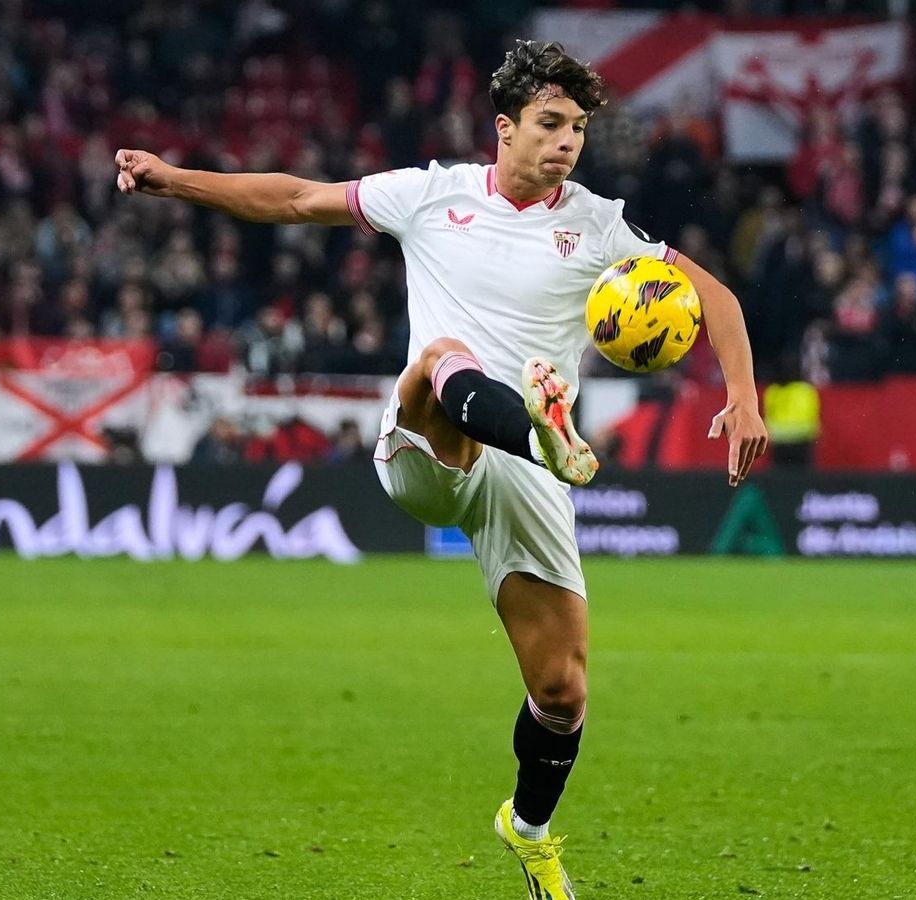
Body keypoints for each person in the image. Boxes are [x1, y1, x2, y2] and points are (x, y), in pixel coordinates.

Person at [114, 40, 768, 899]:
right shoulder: (432, 195)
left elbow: (714, 296)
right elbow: (297, 198)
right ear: (505, 128)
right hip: (429, 442)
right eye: (550, 123)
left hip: (528, 479)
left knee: (563, 691)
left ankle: (528, 830)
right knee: (442, 356)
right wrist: (176, 178)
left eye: (577, 128)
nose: (568, 142)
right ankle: (532, 423)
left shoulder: (600, 226)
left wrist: (745, 398)